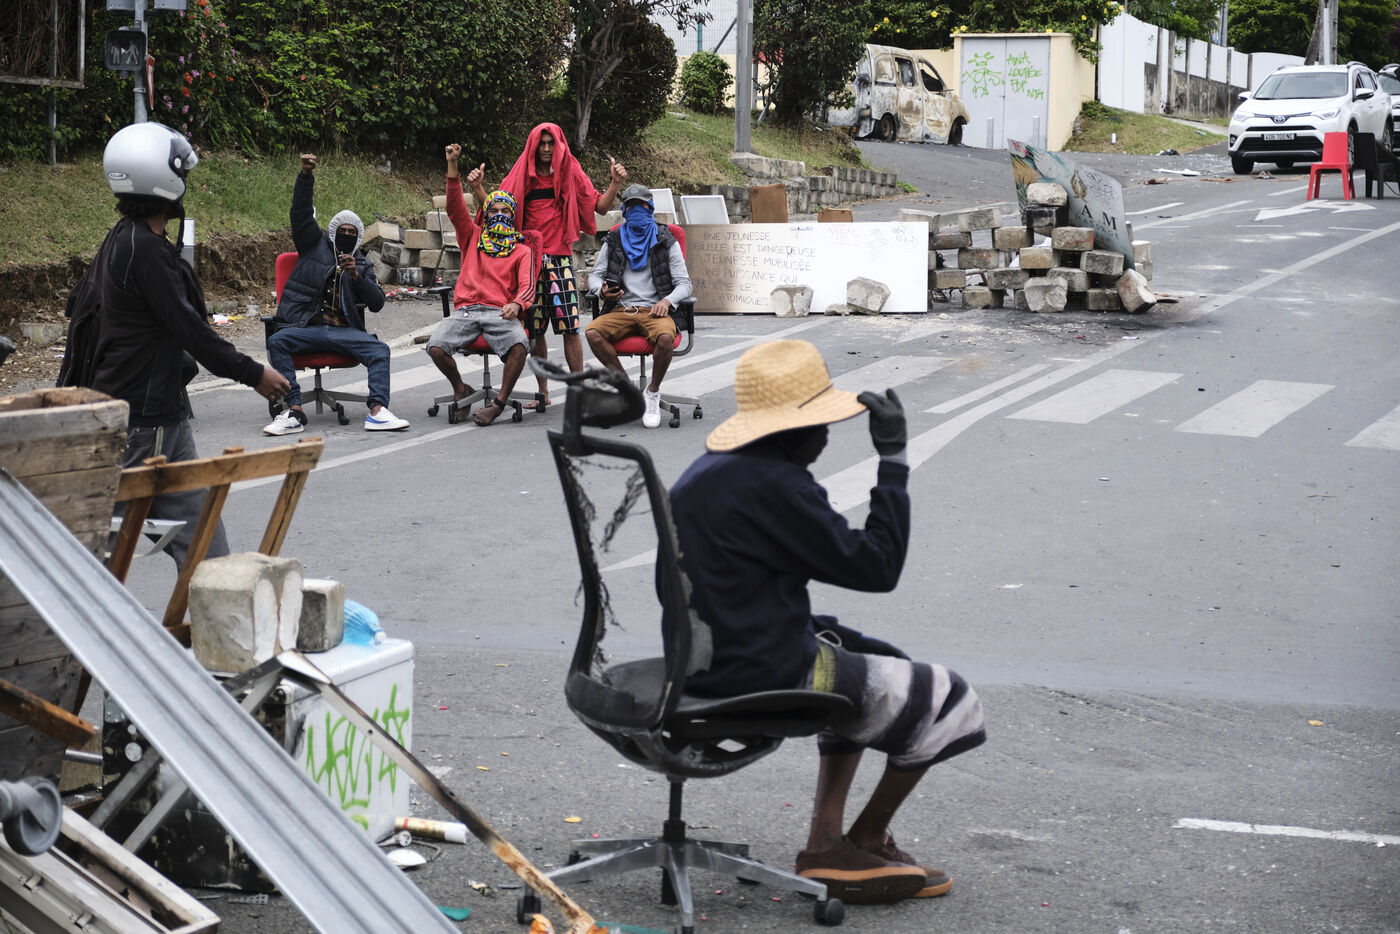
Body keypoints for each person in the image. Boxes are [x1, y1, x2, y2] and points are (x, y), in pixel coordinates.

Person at [668, 340, 986, 906]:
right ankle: (862, 838)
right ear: (795, 431)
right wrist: (893, 461)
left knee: (870, 656)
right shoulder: (777, 486)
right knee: (951, 699)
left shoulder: (707, 472)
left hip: (700, 659)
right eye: (822, 425)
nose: (825, 436)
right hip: (758, 670)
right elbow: (877, 567)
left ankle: (826, 838)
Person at [89, 122, 289, 568]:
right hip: (141, 426)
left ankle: (210, 609)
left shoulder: (128, 237)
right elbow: (191, 331)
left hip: (164, 419)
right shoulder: (144, 251)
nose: (187, 183)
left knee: (205, 550)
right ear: (164, 182)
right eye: (182, 174)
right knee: (95, 554)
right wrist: (254, 373)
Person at [465, 123, 626, 404]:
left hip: (561, 258)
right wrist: (478, 188)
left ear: (559, 144)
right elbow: (495, 210)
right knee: (536, 330)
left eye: (552, 143)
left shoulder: (571, 170)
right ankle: (543, 392)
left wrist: (615, 183)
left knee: (571, 328)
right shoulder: (520, 173)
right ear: (533, 145)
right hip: (529, 260)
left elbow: (600, 207)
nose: (547, 149)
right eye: (542, 143)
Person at [262, 153, 408, 435]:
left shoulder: (362, 264)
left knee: (380, 350)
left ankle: (378, 411)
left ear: (359, 236)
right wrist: (306, 176)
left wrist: (356, 277)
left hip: (342, 331)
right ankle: (293, 410)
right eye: (342, 230)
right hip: (306, 327)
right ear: (332, 232)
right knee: (277, 341)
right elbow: (300, 214)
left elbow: (377, 304)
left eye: (353, 232)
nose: (347, 235)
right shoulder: (313, 245)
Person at [425, 143, 535, 426]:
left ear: (512, 215)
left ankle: (498, 404)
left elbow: (527, 286)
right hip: (466, 311)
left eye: (505, 211)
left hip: (500, 312)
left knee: (520, 345)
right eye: (493, 210)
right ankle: (461, 389)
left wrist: (517, 304)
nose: (499, 215)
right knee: (436, 346)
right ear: (485, 214)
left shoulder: (522, 250)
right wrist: (452, 165)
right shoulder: (472, 236)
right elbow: (455, 208)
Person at [585, 183, 691, 429]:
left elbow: (685, 284)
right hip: (622, 308)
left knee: (665, 338)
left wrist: (667, 301)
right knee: (592, 333)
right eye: (630, 207)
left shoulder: (666, 240)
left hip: (655, 309)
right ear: (624, 211)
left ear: (650, 208)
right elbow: (595, 276)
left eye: (641, 206)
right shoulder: (614, 239)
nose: (636, 211)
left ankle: (652, 392)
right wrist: (601, 290)